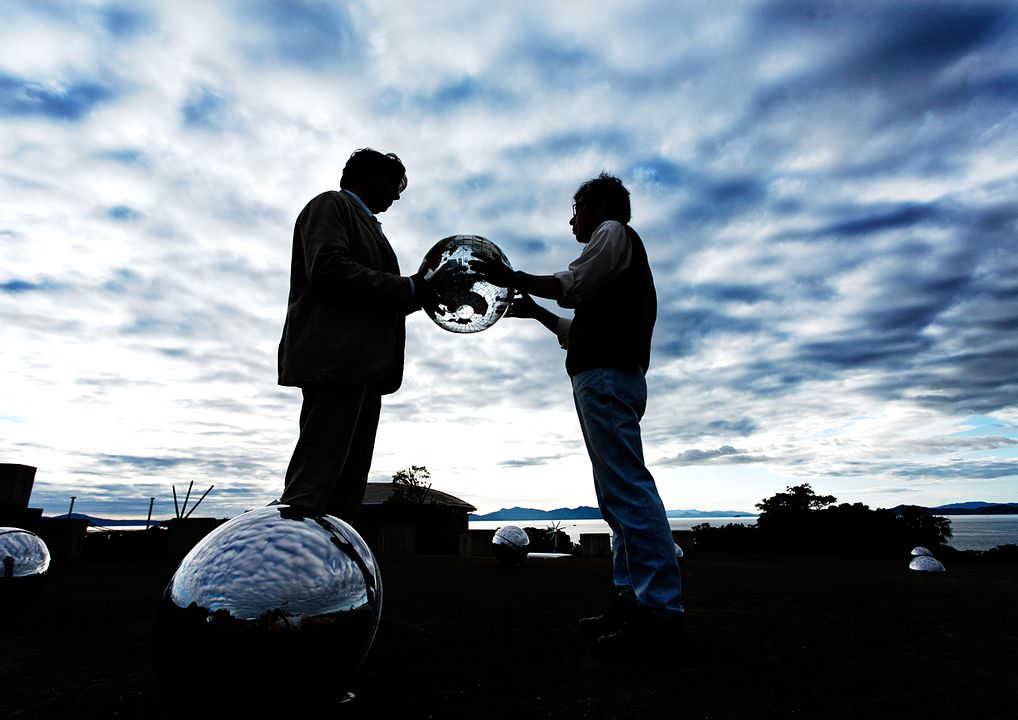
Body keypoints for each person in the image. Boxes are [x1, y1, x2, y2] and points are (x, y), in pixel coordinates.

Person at [472, 173, 685, 650]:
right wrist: (537, 313)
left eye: (576, 209)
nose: (573, 220)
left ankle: (660, 612)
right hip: (610, 374)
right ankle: (632, 600)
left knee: (627, 491)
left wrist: (511, 278)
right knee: (615, 499)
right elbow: (577, 325)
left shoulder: (612, 232)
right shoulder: (618, 261)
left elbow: (574, 283)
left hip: (605, 376)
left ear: (596, 206)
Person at [276, 148, 432, 523]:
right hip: (336, 358)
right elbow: (328, 268)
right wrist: (410, 287)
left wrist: (423, 293)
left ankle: (333, 561)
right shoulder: (330, 205)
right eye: (394, 185)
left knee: (347, 481)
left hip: (364, 366)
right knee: (317, 475)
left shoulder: (368, 226)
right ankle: (295, 556)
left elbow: (379, 298)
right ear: (367, 176)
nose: (396, 195)